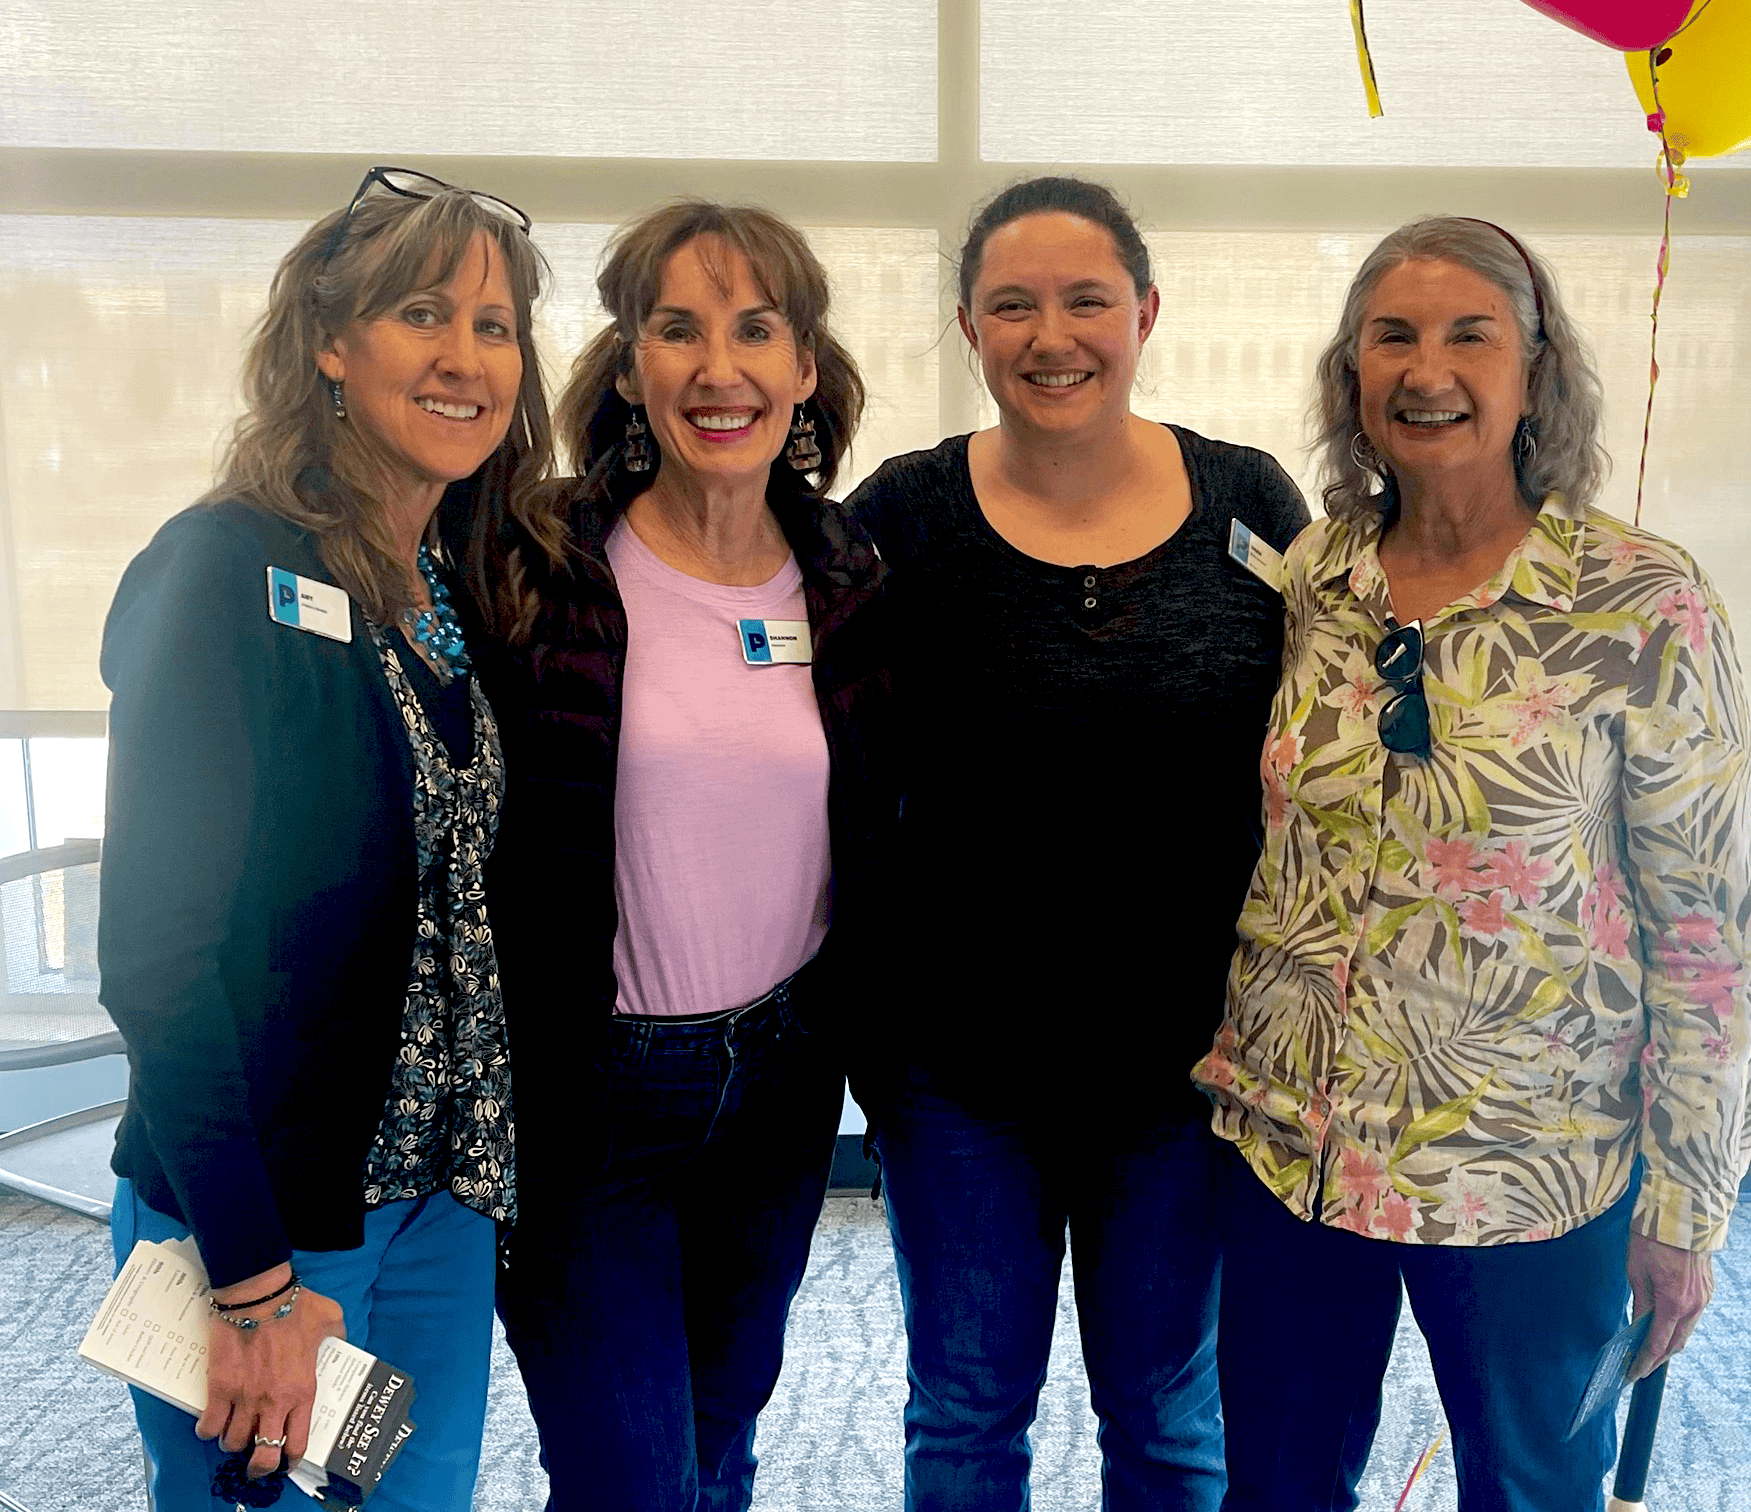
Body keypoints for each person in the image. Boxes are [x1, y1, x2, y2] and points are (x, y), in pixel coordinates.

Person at [1198, 216, 1751, 1512]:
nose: (1425, 368)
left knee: (1530, 1491)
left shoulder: (1643, 605)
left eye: (1469, 334)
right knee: (1275, 1487)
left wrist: (1688, 1203)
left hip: (1529, 1165)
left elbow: (1706, 935)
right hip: (1296, 1144)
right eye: (1390, 336)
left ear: (1535, 373)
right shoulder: (1314, 579)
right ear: (1353, 374)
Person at [846, 175, 1311, 1512]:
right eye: (1013, 305)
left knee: (1168, 1419)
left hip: (1182, 1075)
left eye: (1087, 300)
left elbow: (1329, 741)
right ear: (967, 328)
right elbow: (826, 767)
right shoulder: (904, 518)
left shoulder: (1248, 501)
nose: (1053, 336)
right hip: (958, 1077)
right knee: (968, 1413)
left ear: (1147, 312)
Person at [99, 168, 550, 1511]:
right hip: (267, 1220)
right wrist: (251, 1281)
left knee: (416, 1501)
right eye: (424, 314)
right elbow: (156, 956)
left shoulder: (448, 586)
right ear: (330, 345)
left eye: (496, 325)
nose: (466, 358)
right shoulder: (219, 570)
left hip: (436, 1209)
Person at [467, 199, 891, 1512]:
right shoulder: (537, 559)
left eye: (755, 330)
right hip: (589, 1097)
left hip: (776, 1080)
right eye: (679, 329)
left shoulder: (844, 574)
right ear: (633, 361)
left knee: (720, 1436)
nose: (720, 369)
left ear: (805, 367)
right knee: (630, 1477)